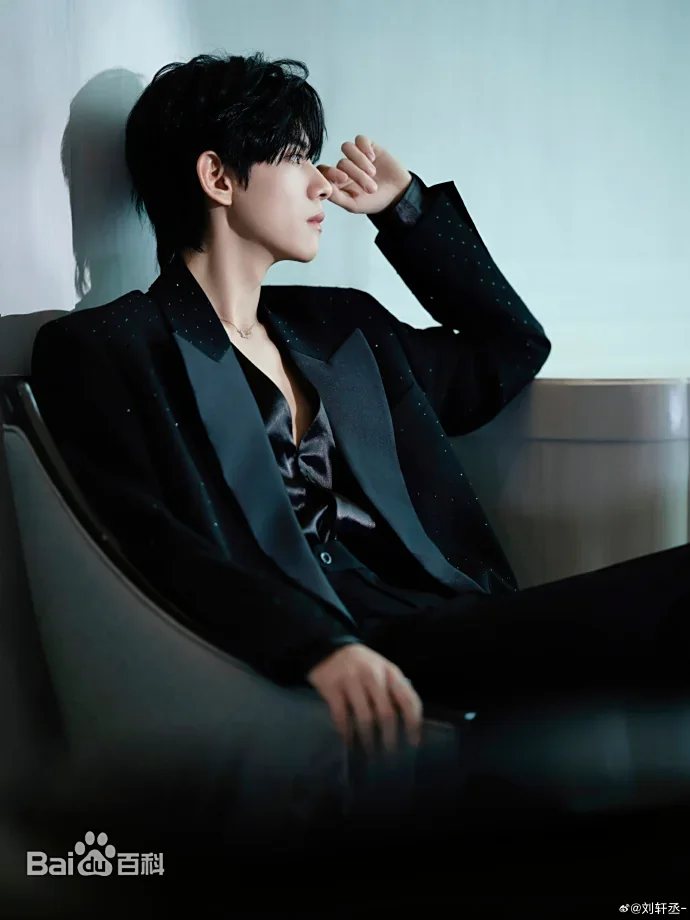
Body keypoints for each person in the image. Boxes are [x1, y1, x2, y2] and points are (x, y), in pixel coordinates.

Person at [31, 51, 690, 772]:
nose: (321, 181)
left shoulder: (344, 328)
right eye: (294, 156)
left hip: (451, 620)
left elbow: (510, 347)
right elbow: (148, 542)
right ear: (218, 177)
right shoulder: (110, 349)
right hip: (330, 653)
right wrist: (315, 646)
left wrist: (406, 211)